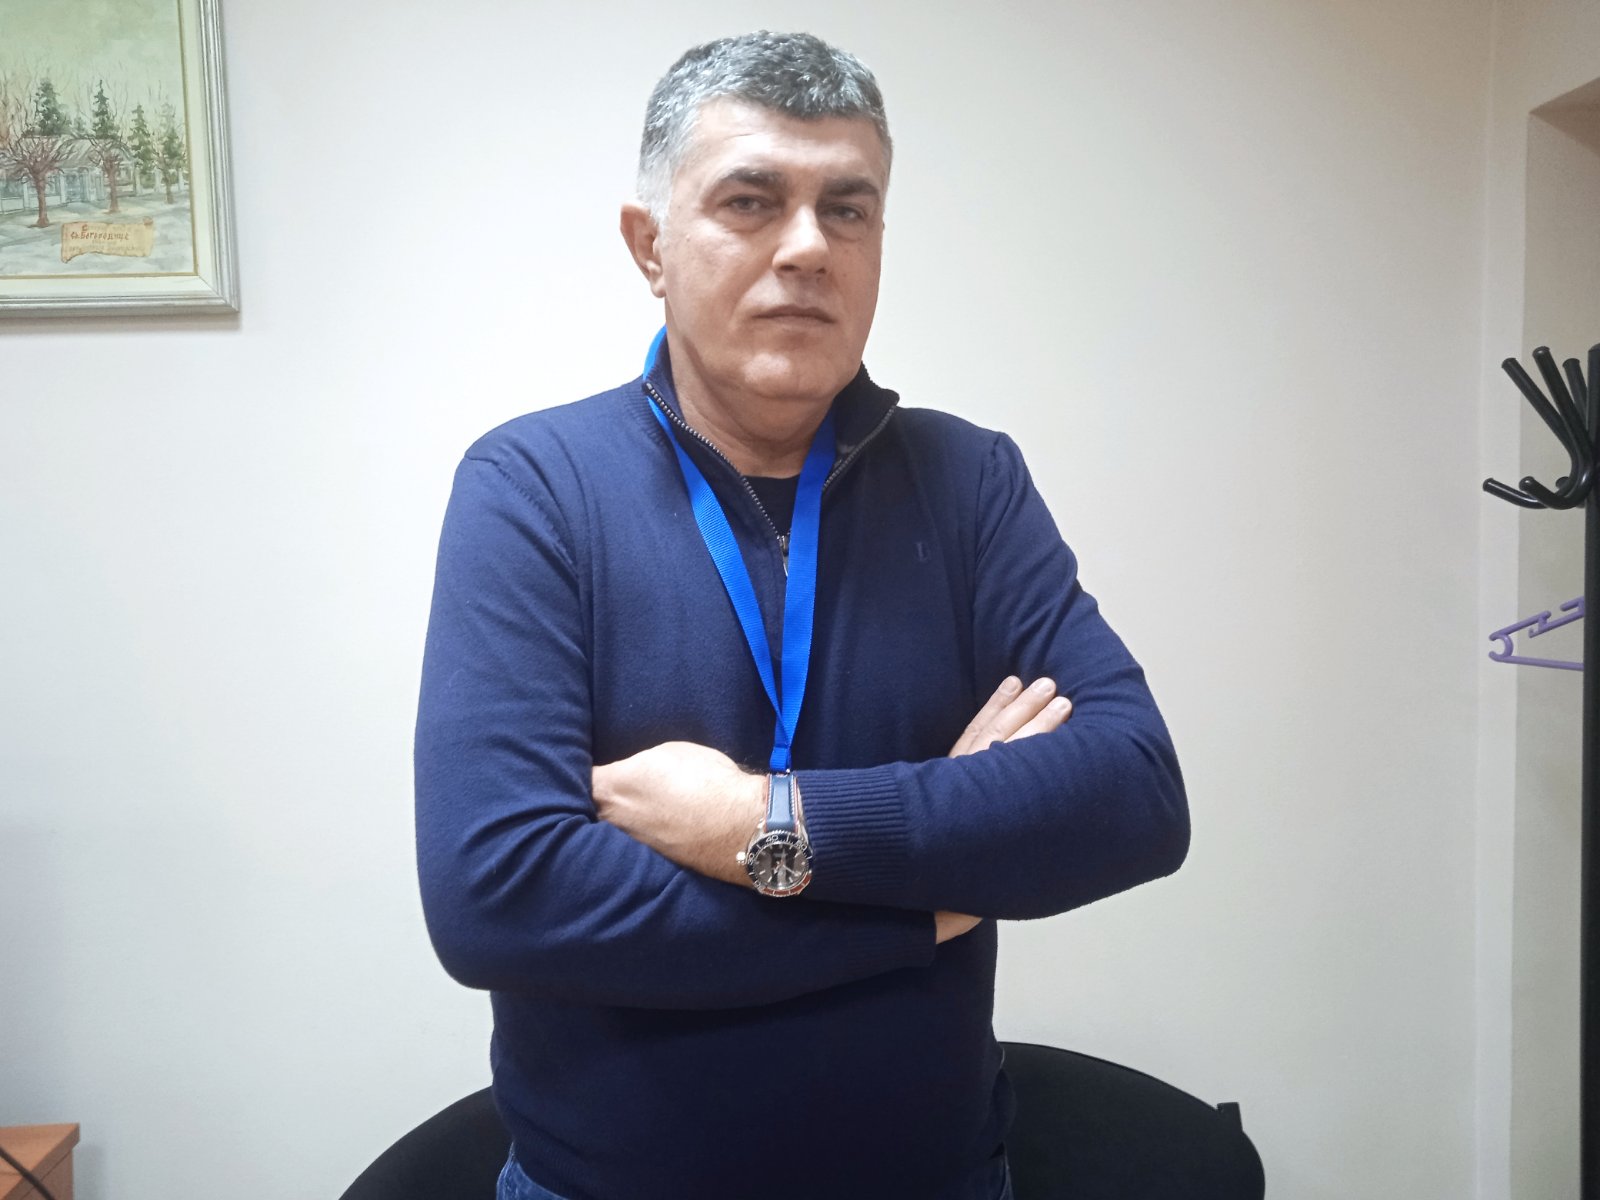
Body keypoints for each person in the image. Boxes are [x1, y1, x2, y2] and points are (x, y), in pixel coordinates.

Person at [414, 30, 1188, 1200]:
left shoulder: (968, 481)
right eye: (750, 201)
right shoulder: (533, 489)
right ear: (650, 246)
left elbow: (1133, 796)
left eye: (848, 209)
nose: (807, 248)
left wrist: (756, 824)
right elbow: (501, 898)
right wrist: (927, 901)